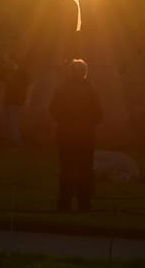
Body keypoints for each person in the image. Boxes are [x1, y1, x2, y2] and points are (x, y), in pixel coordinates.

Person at [49, 59, 102, 212]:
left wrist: (64, 121)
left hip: (66, 136)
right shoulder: (90, 90)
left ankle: (64, 203)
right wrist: (88, 123)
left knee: (67, 169)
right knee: (85, 170)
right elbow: (99, 114)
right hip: (86, 137)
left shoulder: (62, 89)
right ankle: (84, 204)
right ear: (85, 72)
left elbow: (53, 110)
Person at [1, 54, 30, 146]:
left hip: (12, 100)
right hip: (17, 100)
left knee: (12, 122)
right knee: (12, 122)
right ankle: (13, 141)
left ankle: (17, 142)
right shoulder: (23, 73)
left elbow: (6, 79)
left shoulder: (15, 73)